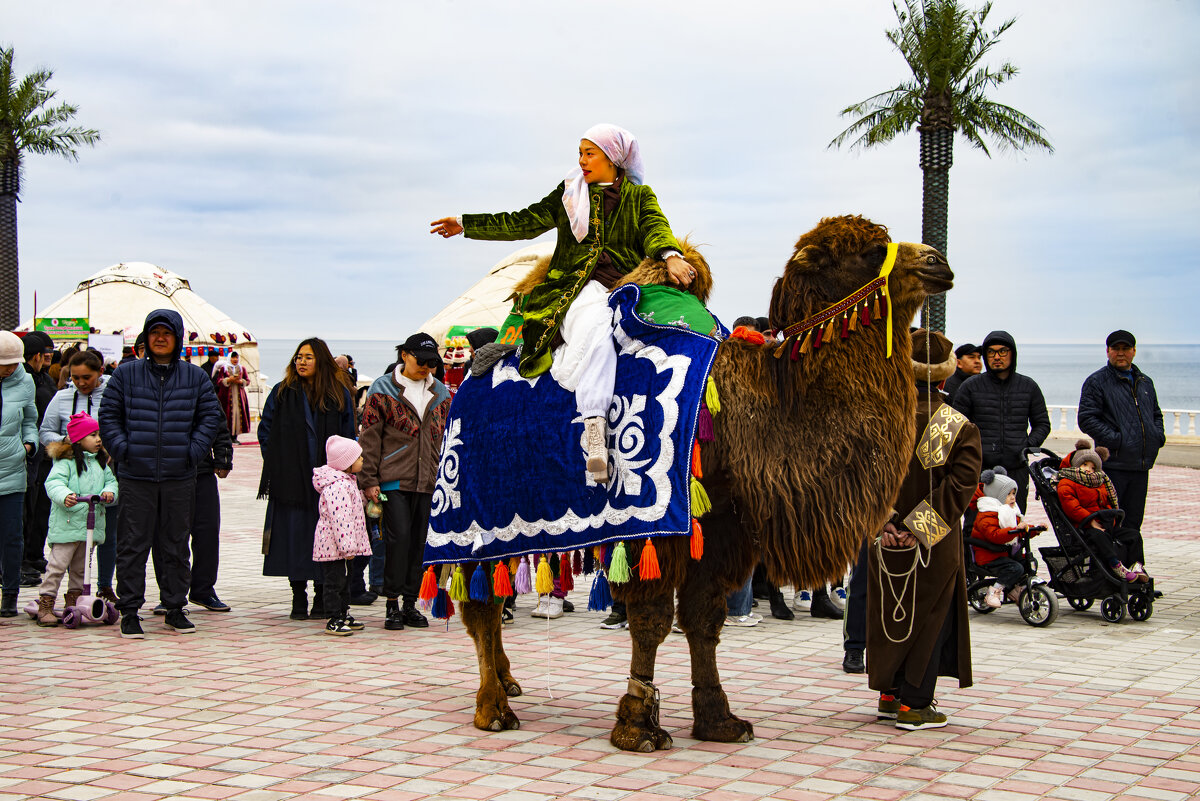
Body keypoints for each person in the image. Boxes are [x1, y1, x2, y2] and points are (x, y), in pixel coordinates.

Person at [431, 123, 691, 483]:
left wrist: (671, 254)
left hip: (623, 287)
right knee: (599, 331)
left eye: (590, 153)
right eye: (580, 153)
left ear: (613, 158)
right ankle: (595, 428)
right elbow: (520, 221)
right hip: (572, 289)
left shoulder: (639, 196)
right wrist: (465, 224)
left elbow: (654, 226)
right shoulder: (568, 194)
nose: (582, 160)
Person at [867, 330, 981, 731]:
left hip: (885, 535)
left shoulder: (883, 416)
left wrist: (887, 522)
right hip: (934, 541)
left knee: (890, 612)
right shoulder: (956, 425)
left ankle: (889, 692)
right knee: (931, 615)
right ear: (946, 378)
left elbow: (865, 477)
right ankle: (915, 704)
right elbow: (960, 487)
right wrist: (918, 529)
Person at [98, 310, 223, 639]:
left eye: (167, 332)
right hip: (135, 474)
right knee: (132, 544)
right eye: (154, 332)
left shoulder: (195, 378)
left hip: (179, 475)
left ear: (178, 338)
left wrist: (192, 451)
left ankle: (174, 606)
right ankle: (129, 610)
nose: (161, 338)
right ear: (146, 337)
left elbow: (211, 417)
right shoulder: (126, 375)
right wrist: (123, 449)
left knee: (176, 544)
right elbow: (108, 415)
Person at [358, 332, 452, 631]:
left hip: (429, 480)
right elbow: (369, 438)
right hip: (392, 480)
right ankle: (391, 603)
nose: (426, 367)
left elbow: (448, 438)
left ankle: (411, 603)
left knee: (419, 543)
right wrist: (369, 479)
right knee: (396, 542)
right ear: (405, 356)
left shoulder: (441, 392)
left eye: (431, 362)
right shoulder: (382, 389)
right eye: (421, 360)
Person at [258, 338, 356, 621]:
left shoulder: (337, 394)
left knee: (325, 538)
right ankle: (297, 595)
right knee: (293, 539)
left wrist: (340, 473)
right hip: (290, 479)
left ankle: (321, 597)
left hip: (327, 483)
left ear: (321, 361)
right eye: (299, 357)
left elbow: (347, 437)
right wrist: (279, 462)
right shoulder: (281, 392)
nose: (301, 362)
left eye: (309, 357)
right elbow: (266, 431)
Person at [39, 350, 116, 604]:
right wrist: (67, 444)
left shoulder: (112, 395)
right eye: (75, 377)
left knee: (106, 532)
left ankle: (104, 586)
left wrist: (113, 449)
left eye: (87, 377)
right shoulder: (62, 397)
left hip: (105, 468)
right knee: (67, 546)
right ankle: (52, 597)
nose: (81, 383)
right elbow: (45, 431)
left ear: (100, 373)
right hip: (72, 470)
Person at [952, 331, 1050, 513]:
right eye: (991, 352)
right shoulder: (971, 387)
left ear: (1012, 354)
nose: (997, 357)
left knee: (1014, 520)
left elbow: (1042, 424)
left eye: (1003, 351)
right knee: (976, 523)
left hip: (1016, 468)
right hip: (980, 469)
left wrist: (1026, 447)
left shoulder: (1028, 386)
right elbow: (956, 425)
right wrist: (972, 452)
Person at [34, 413, 118, 626]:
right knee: (57, 565)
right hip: (67, 525)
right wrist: (65, 496)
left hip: (89, 527)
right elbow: (53, 483)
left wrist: (109, 493)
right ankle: (46, 602)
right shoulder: (66, 462)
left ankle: (74, 600)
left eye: (98, 434)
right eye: (92, 435)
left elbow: (112, 482)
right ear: (78, 440)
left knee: (82, 568)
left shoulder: (101, 463)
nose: (98, 439)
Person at [1078, 330, 1164, 532]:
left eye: (1125, 348)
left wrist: (1157, 437)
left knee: (1133, 524)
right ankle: (1108, 563)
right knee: (1111, 522)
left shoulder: (1145, 382)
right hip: (1113, 466)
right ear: (1108, 351)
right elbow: (1087, 419)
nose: (1121, 353)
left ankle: (1132, 562)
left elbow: (1156, 414)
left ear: (1134, 351)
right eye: (1116, 348)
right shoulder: (1097, 381)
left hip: (1141, 466)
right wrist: (1118, 440)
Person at [1056, 439, 1149, 582]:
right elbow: (1072, 507)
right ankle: (1115, 565)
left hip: (1104, 523)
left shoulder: (1099, 481)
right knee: (1100, 537)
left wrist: (1111, 518)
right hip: (1085, 526)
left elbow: (1108, 503)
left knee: (1133, 535)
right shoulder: (1066, 483)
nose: (1088, 469)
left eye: (1093, 467)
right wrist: (1090, 521)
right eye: (1085, 464)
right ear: (1076, 464)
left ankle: (1136, 565)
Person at [313, 435, 373, 636]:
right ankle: (333, 617)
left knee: (345, 581)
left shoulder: (348, 482)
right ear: (346, 464)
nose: (362, 460)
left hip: (342, 547)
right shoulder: (338, 487)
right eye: (358, 457)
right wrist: (348, 547)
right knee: (335, 582)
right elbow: (342, 519)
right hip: (335, 548)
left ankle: (343, 612)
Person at [0, 331, 38, 616]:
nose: (10, 368)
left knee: (12, 536)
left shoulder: (25, 381)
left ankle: (10, 595)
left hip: (13, 469)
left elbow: (30, 420)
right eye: (5, 364)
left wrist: (29, 445)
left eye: (13, 363)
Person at [21, 331, 58, 586]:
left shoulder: (45, 379)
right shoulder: (24, 381)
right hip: (28, 454)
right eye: (44, 354)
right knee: (26, 509)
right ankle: (21, 560)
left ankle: (34, 555)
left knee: (41, 508)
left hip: (46, 455)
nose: (47, 358)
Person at [972, 466, 1038, 608]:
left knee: (1027, 562)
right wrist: (1014, 530)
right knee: (1015, 568)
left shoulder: (1009, 512)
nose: (1013, 497)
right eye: (1009, 494)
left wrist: (1034, 529)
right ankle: (993, 591)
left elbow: (1019, 529)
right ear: (998, 496)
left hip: (1003, 553)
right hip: (989, 556)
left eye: (1014, 493)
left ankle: (1015, 588)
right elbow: (994, 535)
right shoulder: (987, 514)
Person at [213, 351, 251, 444]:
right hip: (226, 396)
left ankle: (235, 436)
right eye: (233, 358)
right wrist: (229, 379)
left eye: (237, 358)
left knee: (237, 416)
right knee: (227, 415)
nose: (235, 360)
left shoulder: (242, 369)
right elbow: (219, 381)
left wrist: (240, 381)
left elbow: (247, 380)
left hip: (238, 396)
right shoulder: (224, 368)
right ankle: (228, 436)